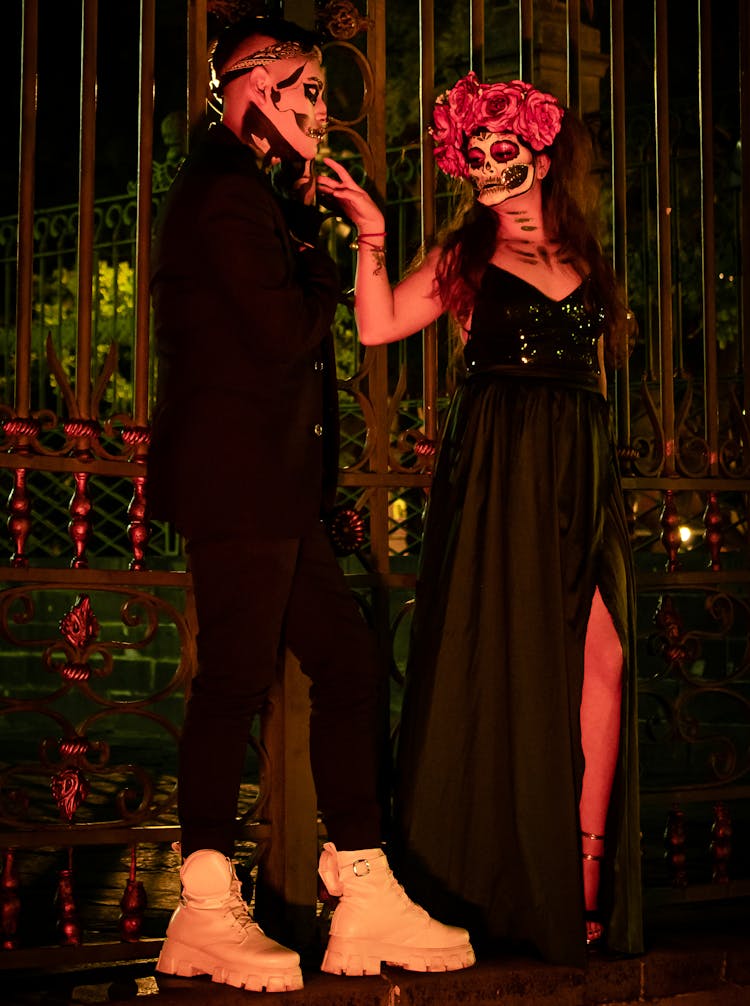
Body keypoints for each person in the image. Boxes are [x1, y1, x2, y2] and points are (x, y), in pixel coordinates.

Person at [148, 15, 475, 994]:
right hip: (241, 484)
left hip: (275, 489)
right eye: (308, 91)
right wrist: (333, 249)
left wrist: (354, 229)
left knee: (347, 660)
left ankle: (363, 885)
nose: (325, 112)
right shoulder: (221, 196)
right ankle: (205, 904)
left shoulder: (257, 194)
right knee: (236, 683)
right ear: (250, 85)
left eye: (325, 93)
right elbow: (288, 335)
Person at [317, 72, 644, 967]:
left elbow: (596, 378)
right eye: (476, 153)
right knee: (509, 655)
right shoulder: (467, 255)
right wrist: (374, 239)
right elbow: (380, 327)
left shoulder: (585, 257)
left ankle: (584, 873)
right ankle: (519, 880)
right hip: (501, 460)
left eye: (506, 149)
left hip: (578, 459)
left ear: (541, 155)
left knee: (604, 658)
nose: (491, 164)